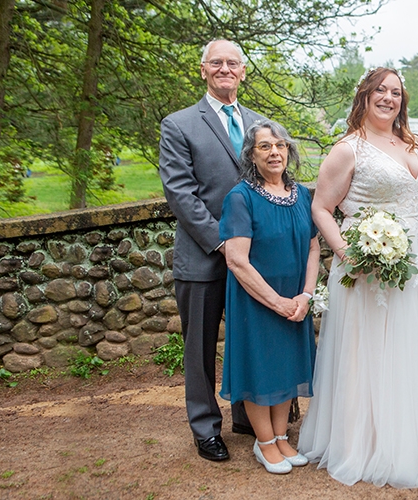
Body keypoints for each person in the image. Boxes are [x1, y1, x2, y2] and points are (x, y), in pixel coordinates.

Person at [298, 67, 418, 488]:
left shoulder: (413, 142)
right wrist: (348, 252)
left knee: (414, 350)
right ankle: (368, 444)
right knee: (369, 354)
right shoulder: (348, 148)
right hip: (371, 266)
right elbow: (321, 207)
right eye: (380, 90)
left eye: (396, 91)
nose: (389, 98)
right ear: (365, 96)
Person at [159, 39, 264, 461]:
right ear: (203, 70)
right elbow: (180, 193)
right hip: (204, 256)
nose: (224, 68)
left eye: (232, 63)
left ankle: (247, 416)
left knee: (250, 338)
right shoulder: (179, 123)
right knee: (199, 349)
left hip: (255, 258)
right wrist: (224, 244)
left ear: (243, 71)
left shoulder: (260, 124)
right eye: (216, 62)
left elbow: (272, 184)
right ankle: (206, 428)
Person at [219, 120, 319, 474]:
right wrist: (277, 302)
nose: (274, 152)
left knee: (286, 367)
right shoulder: (240, 198)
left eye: (280, 145)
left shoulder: (302, 195)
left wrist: (305, 295)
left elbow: (312, 247)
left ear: (288, 150)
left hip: (295, 300)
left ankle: (280, 437)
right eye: (265, 147)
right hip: (257, 302)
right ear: (251, 155)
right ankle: (264, 443)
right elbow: (236, 260)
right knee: (260, 369)